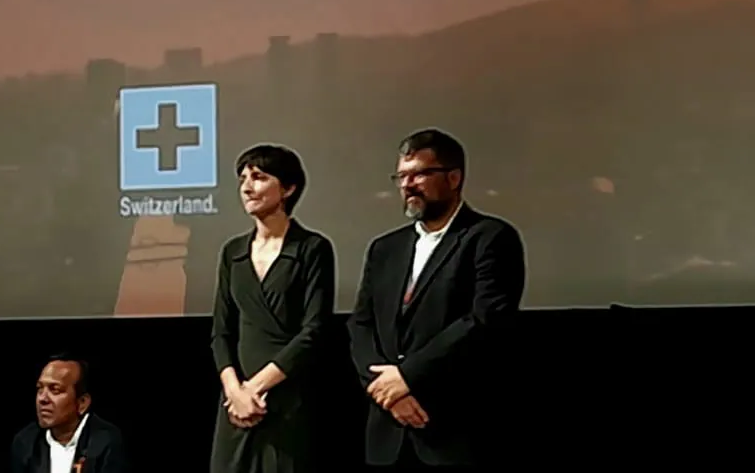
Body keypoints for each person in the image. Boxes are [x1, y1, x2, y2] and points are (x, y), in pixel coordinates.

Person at [349, 129, 526, 470]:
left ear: (454, 177)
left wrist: (407, 378)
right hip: (388, 431)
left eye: (419, 174)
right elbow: (361, 324)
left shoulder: (489, 238)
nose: (407, 185)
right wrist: (387, 392)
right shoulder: (385, 248)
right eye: (401, 176)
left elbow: (485, 321)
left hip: (453, 429)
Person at [209, 144, 336, 473]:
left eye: (259, 177)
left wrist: (254, 388)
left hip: (289, 397)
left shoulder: (312, 248)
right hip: (236, 404)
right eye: (242, 179)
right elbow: (221, 332)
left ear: (288, 188)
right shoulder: (233, 252)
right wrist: (235, 391)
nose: (247, 187)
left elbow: (314, 331)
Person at [6, 356, 127, 473]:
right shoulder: (25, 441)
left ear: (82, 402)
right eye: (40, 388)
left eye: (55, 390)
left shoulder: (108, 442)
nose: (42, 398)